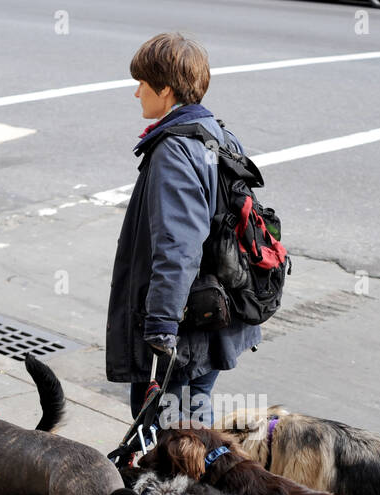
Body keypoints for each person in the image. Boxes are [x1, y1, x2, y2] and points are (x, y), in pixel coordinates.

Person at [106, 32, 260, 429]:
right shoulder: (218, 134)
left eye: (142, 83)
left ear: (167, 89)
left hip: (188, 325)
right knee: (192, 418)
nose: (136, 92)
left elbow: (179, 247)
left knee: (168, 432)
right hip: (218, 312)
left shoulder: (174, 150)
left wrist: (161, 328)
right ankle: (201, 484)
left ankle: (186, 491)